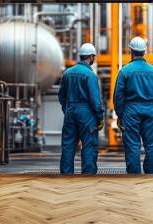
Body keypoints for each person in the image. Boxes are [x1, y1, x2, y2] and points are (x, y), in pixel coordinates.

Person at [113, 37, 153, 174]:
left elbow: (118, 96)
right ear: (144, 51)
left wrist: (120, 115)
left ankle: (134, 175)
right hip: (150, 109)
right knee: (151, 145)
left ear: (130, 50)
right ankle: (152, 174)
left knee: (132, 145)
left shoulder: (124, 71)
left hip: (130, 111)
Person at [58, 43, 104, 175]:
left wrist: (67, 109)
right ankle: (88, 177)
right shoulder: (90, 75)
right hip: (87, 115)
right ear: (90, 57)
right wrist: (100, 118)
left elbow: (61, 96)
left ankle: (66, 177)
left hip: (70, 112)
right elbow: (95, 100)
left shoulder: (67, 73)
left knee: (68, 146)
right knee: (89, 146)